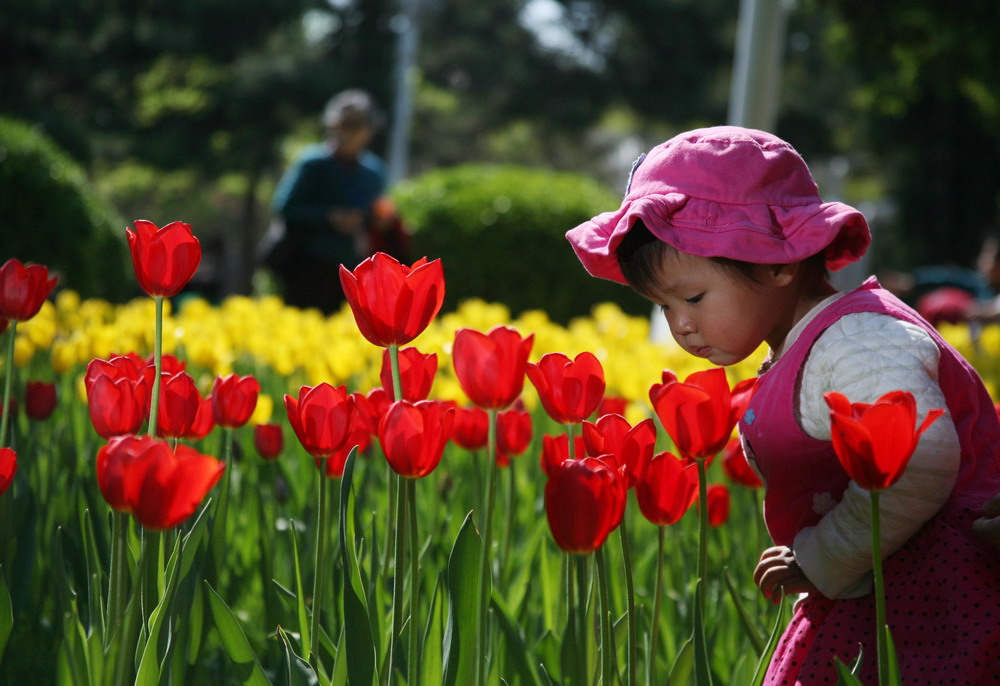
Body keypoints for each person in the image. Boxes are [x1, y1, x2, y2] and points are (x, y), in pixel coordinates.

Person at [565, 126, 1000, 683]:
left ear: (778, 264)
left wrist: (824, 558)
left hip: (930, 602)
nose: (682, 326)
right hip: (877, 590)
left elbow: (919, 461)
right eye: (664, 307)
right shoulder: (815, 341)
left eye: (693, 297)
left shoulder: (859, 341)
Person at [269, 89, 387, 313]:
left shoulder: (374, 172)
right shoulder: (312, 162)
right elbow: (284, 207)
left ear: (369, 131)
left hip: (353, 268)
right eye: (342, 124)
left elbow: (376, 216)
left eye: (356, 124)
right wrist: (328, 216)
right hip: (305, 265)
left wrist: (379, 220)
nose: (348, 132)